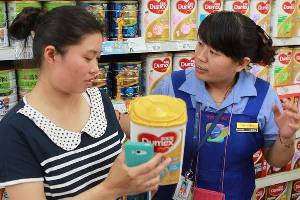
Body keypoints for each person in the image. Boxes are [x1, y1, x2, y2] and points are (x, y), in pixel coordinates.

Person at [0, 6, 170, 200]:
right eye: (87, 58)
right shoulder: (15, 131)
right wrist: (111, 189)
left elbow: (120, 167)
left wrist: (141, 181)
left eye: (98, 59)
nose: (96, 69)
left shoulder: (98, 99)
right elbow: (113, 186)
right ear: (51, 55)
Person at [152, 11, 300, 199]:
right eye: (200, 44)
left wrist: (286, 138)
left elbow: (276, 160)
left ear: (240, 63)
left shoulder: (263, 97)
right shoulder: (172, 86)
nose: (200, 57)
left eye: (213, 52)